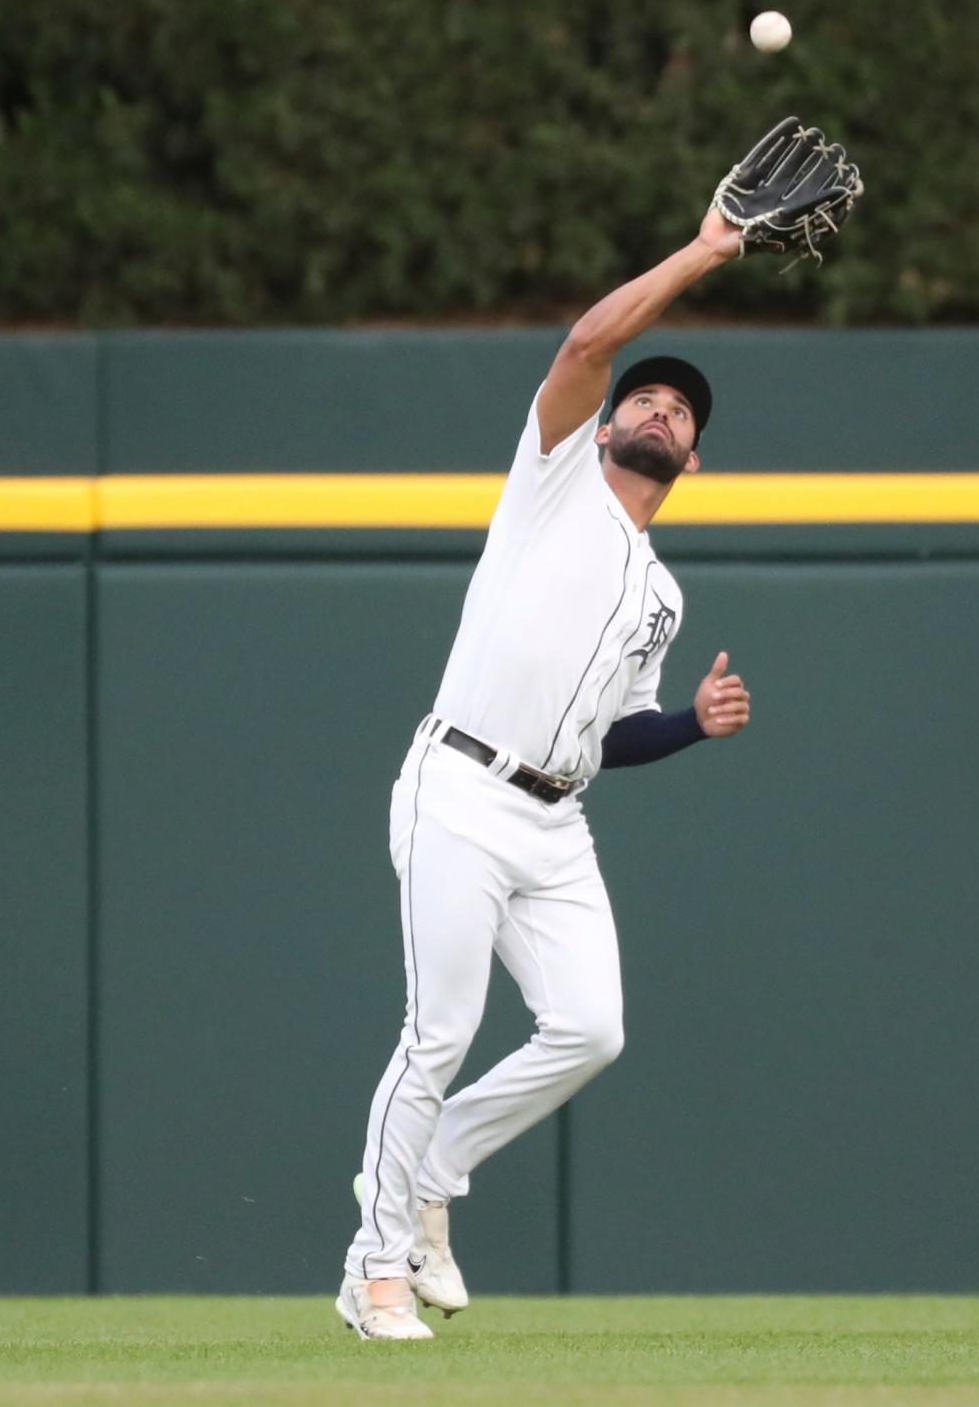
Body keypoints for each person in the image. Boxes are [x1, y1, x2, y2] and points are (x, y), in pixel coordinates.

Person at [337, 202, 752, 1341]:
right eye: (647, 399)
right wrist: (707, 252)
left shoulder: (662, 593)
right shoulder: (555, 475)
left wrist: (691, 728)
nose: (661, 410)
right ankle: (372, 1266)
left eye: (681, 411)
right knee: (439, 1032)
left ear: (695, 458)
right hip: (460, 788)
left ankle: (433, 1172)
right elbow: (585, 344)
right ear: (609, 424)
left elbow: (615, 732)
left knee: (591, 1027)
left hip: (556, 823)